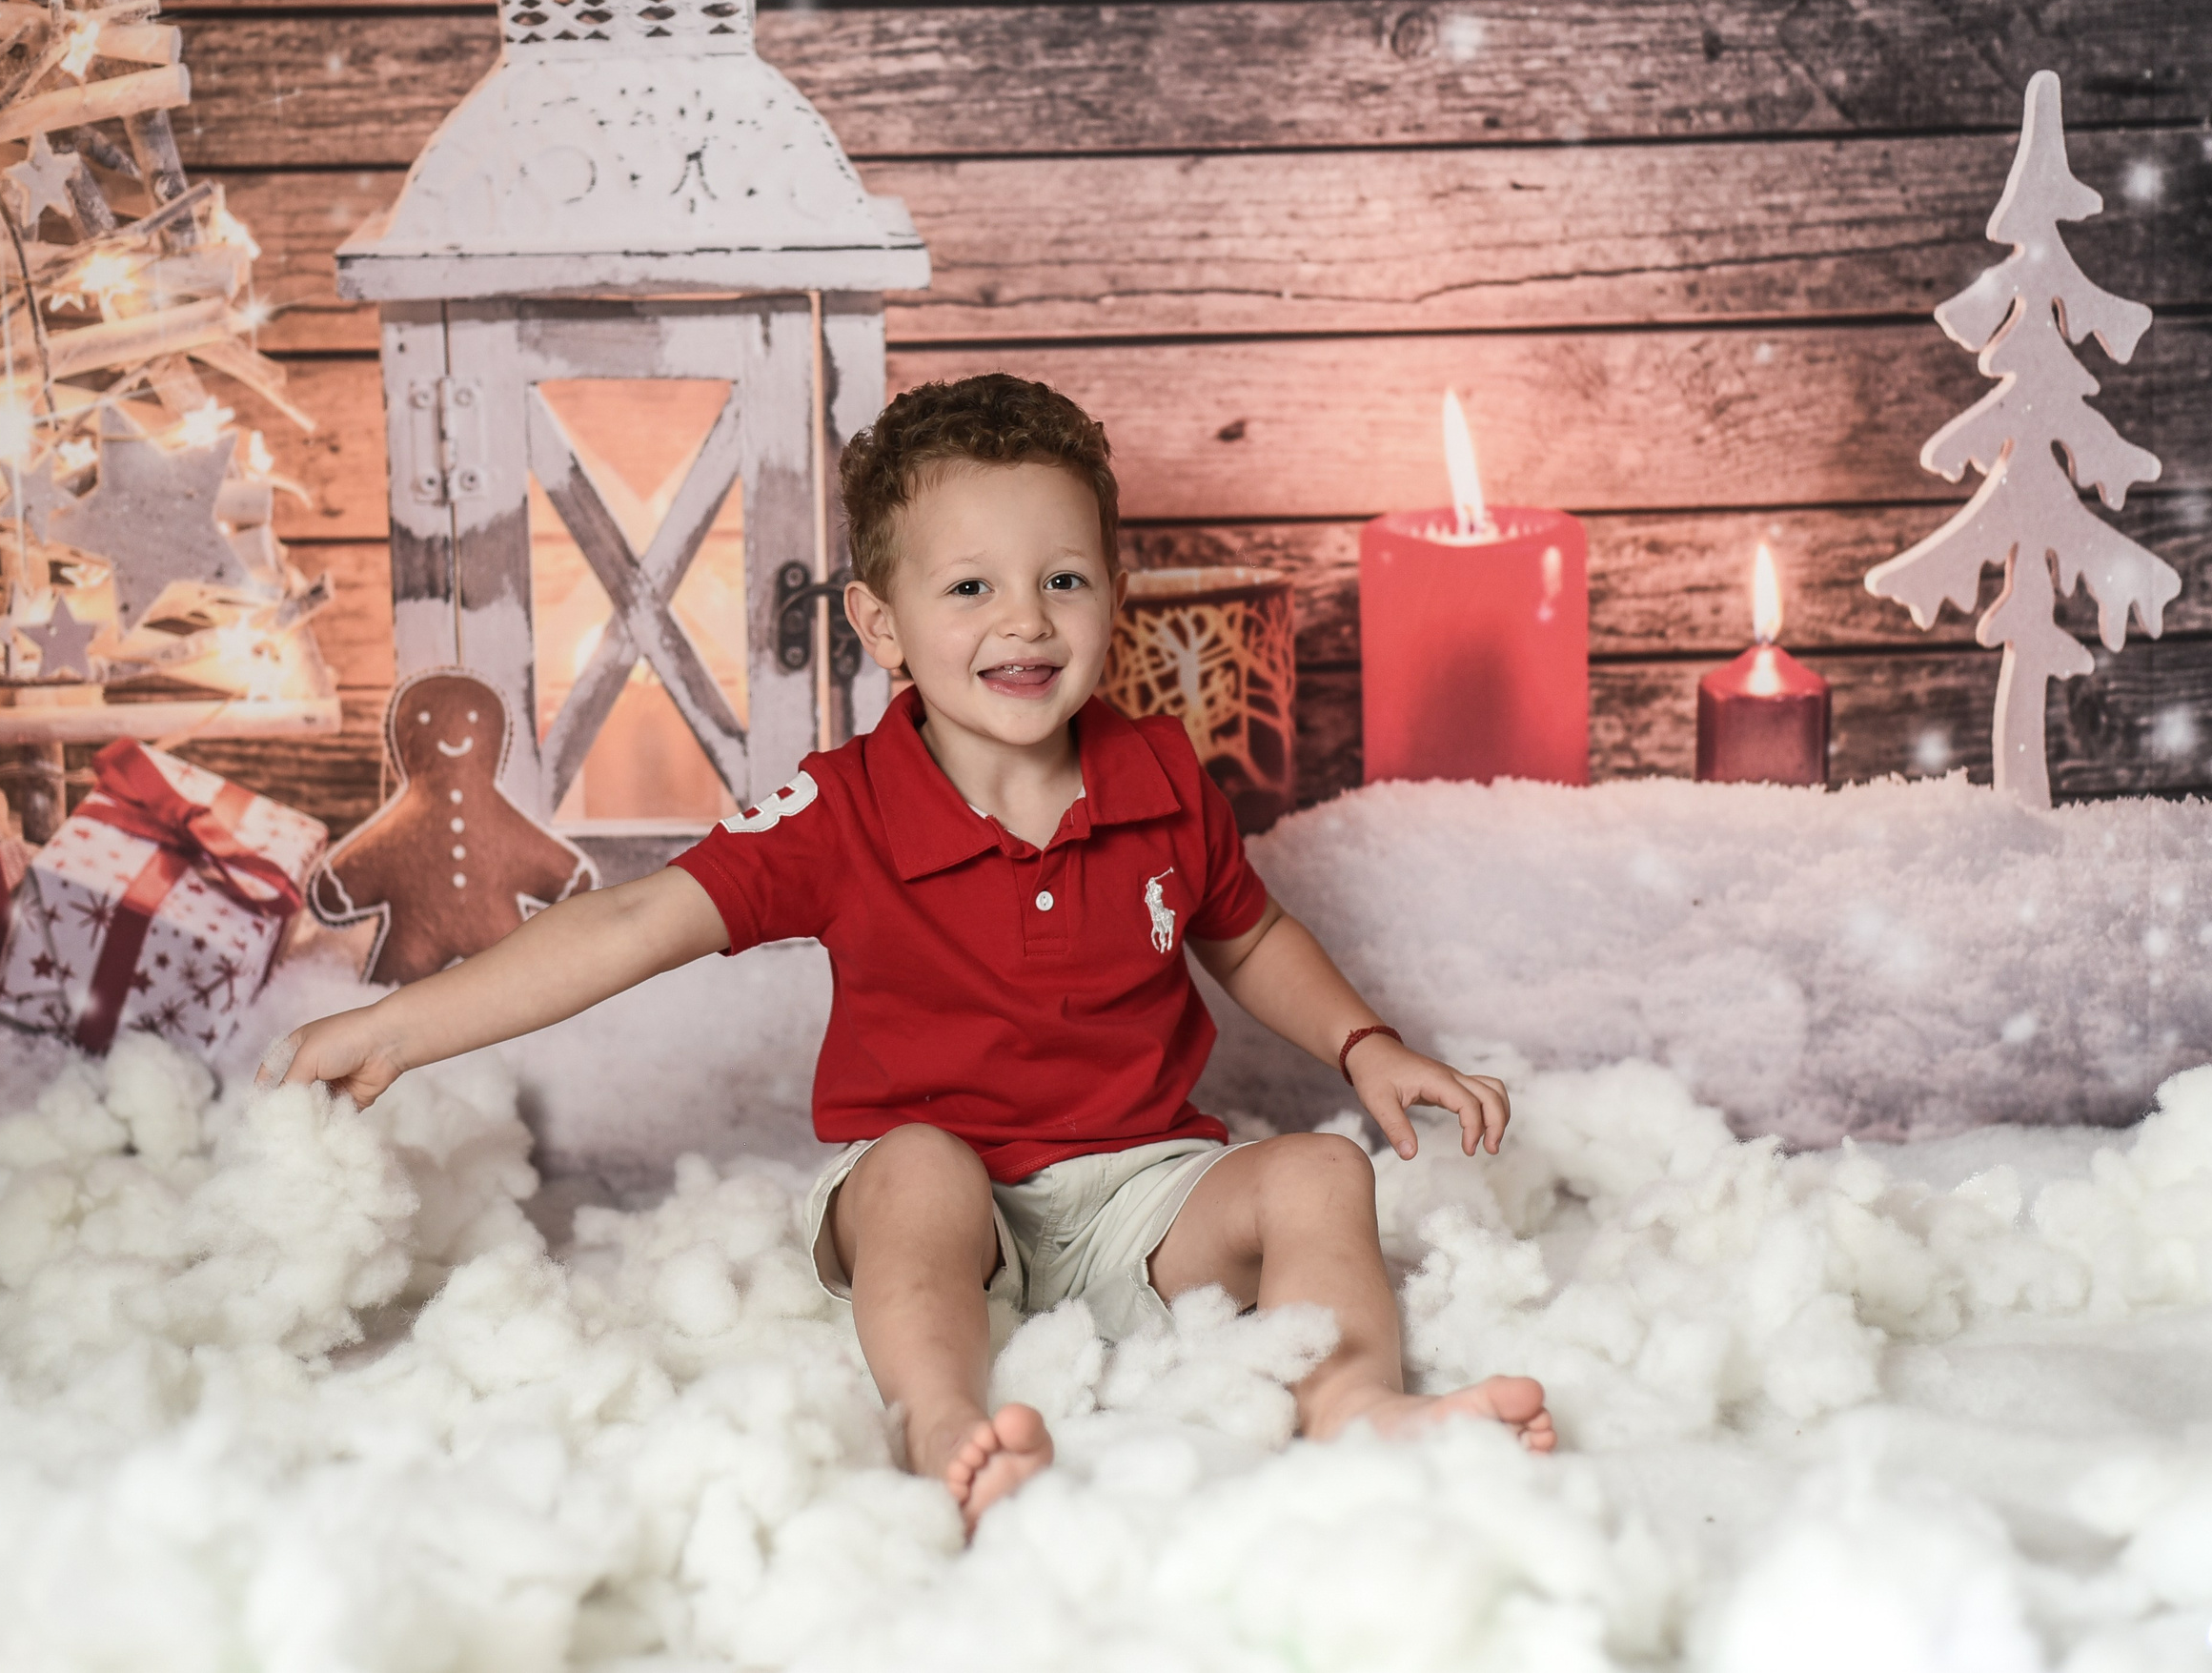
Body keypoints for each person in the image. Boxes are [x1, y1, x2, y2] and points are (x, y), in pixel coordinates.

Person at [265, 374, 1553, 1533]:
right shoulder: (843, 809)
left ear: (1114, 590)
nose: (1027, 621)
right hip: (931, 1190)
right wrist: (400, 1024)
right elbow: (627, 921)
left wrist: (1364, 1043)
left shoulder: (1160, 773)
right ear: (883, 627)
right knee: (925, 1174)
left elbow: (1249, 930)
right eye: (971, 586)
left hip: (1142, 1192)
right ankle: (947, 1425)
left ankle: (1354, 1406)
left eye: (1064, 578)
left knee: (1322, 1169)